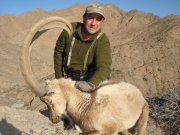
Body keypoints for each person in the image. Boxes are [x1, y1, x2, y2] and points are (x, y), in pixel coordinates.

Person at [54, 2, 112, 92]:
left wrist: (91, 84)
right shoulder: (69, 30)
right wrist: (59, 79)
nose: (93, 23)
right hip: (68, 77)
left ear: (102, 22)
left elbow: (104, 67)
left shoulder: (102, 40)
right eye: (90, 18)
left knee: (106, 82)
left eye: (98, 19)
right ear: (84, 18)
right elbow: (58, 52)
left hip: (89, 79)